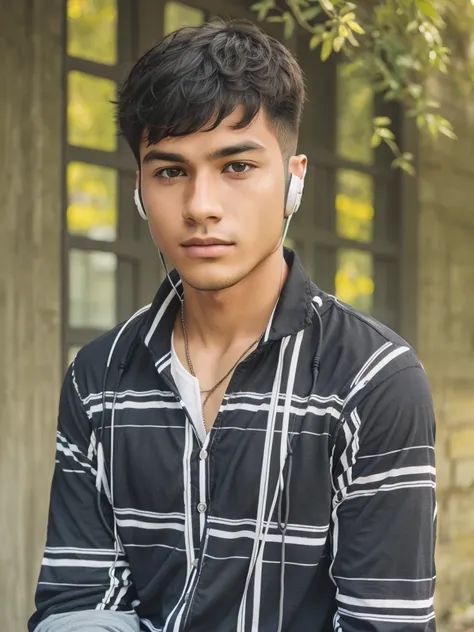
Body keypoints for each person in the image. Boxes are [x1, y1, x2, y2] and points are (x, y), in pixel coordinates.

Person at [29, 19, 437, 632]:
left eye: (237, 166)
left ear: (294, 179)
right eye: (169, 171)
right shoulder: (99, 377)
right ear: (139, 190)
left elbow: (387, 624)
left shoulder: (372, 380)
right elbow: (77, 608)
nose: (200, 206)